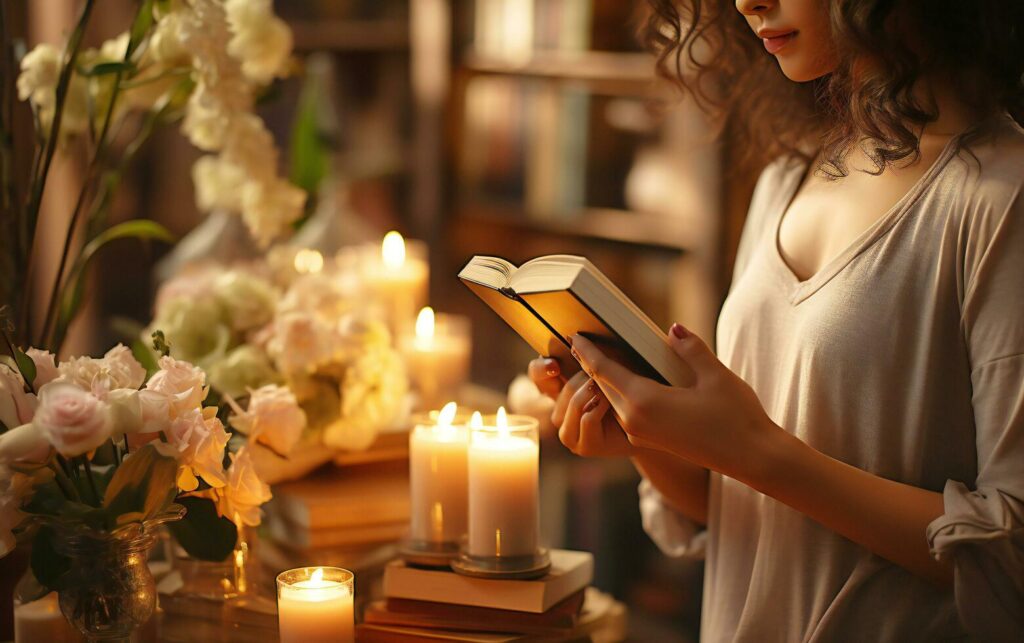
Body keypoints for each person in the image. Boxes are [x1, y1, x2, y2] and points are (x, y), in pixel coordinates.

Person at [529, 1, 1024, 640]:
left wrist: (756, 450)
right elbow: (751, 511)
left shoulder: (1000, 196)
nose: (746, 2)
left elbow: (1010, 565)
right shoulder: (788, 179)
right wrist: (651, 440)